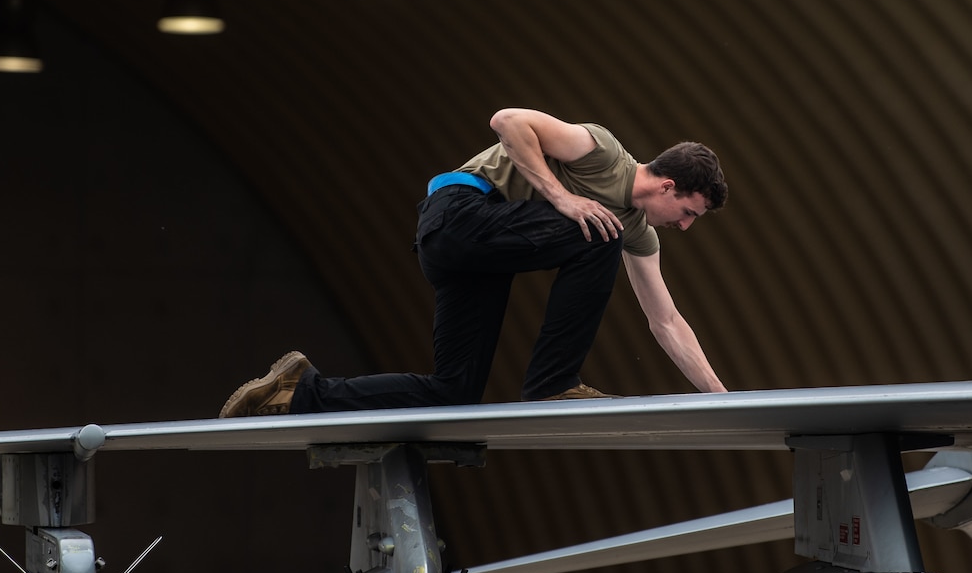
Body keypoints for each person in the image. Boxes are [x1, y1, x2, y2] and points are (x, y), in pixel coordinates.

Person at [219, 108, 729, 416]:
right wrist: (562, 197)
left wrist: (721, 399)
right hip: (460, 213)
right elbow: (507, 120)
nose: (683, 227)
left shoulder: (636, 229)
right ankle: (553, 385)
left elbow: (666, 320)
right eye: (687, 213)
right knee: (600, 235)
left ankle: (299, 391)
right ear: (667, 185)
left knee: (453, 392)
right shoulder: (602, 152)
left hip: (478, 255)